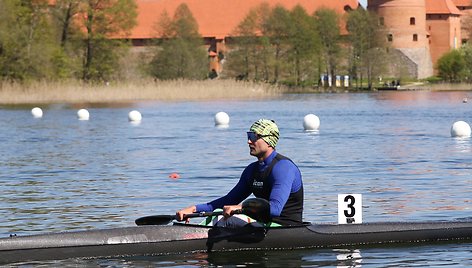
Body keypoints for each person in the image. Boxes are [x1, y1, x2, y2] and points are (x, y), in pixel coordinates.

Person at [176, 119, 303, 227]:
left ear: (269, 141)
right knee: (221, 211)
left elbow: (275, 209)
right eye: (248, 136)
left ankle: (193, 240)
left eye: (254, 137)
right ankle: (194, 236)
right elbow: (229, 200)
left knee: (226, 219)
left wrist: (240, 208)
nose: (249, 141)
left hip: (284, 226)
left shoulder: (283, 168)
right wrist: (194, 209)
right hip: (262, 224)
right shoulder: (251, 170)